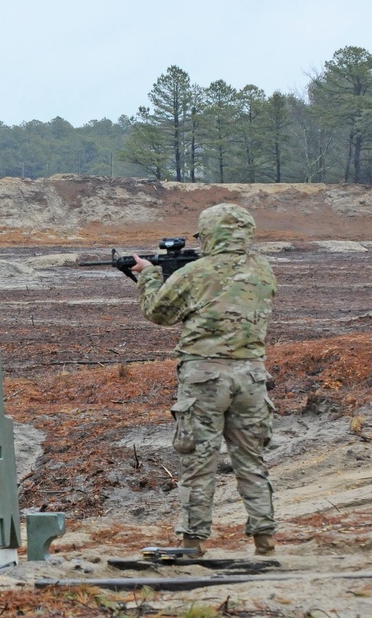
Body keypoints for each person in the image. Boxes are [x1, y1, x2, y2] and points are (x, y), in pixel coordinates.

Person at [130, 203, 278, 557]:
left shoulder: (197, 272)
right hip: (252, 375)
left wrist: (149, 275)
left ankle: (192, 541)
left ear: (210, 235)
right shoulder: (263, 269)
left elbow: (158, 312)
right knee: (251, 460)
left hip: (205, 378)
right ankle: (264, 538)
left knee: (199, 461)